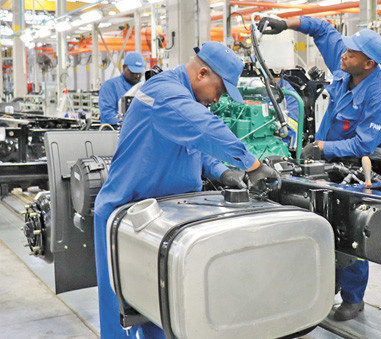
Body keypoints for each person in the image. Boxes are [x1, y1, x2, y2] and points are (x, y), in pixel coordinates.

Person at [94, 41, 280, 338]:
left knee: (163, 308)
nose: (218, 100)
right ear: (203, 73)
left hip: (166, 216)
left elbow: (195, 148)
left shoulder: (185, 97)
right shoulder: (164, 93)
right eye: (219, 90)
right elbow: (205, 129)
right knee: (124, 309)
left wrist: (223, 172)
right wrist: (252, 165)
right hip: (126, 214)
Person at [257, 15, 381, 321]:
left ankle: (353, 298)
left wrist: (323, 148)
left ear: (368, 64)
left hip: (354, 171)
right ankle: (326, 284)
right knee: (320, 226)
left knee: (349, 234)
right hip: (323, 164)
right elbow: (322, 29)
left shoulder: (378, 96)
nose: (344, 54)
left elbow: (364, 145)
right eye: (346, 50)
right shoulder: (345, 67)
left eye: (352, 53)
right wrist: (286, 23)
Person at [98, 51, 145, 125]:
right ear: (124, 68)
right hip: (114, 133)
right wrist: (128, 125)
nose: (137, 76)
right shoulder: (109, 86)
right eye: (133, 72)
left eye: (139, 73)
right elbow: (107, 115)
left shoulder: (143, 87)